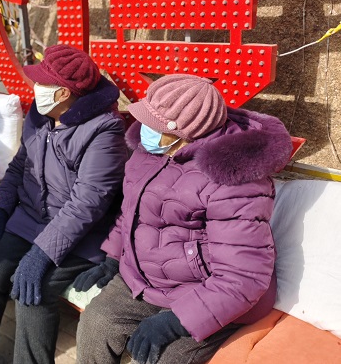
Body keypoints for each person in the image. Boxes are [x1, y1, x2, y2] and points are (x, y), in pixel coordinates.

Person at [73, 74, 293, 364]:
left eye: (155, 125)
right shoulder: (148, 152)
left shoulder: (234, 181)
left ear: (185, 132)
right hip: (145, 280)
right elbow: (132, 213)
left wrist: (175, 321)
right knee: (96, 325)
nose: (144, 129)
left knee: (166, 359)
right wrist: (113, 258)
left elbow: (243, 277)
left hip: (206, 294)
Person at [0, 44, 129, 364]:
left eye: (42, 83)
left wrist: (40, 254)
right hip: (29, 220)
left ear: (63, 93)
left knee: (33, 291)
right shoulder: (40, 116)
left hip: (82, 234)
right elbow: (19, 166)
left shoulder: (105, 130)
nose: (35, 86)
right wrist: (0, 209)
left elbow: (87, 203)